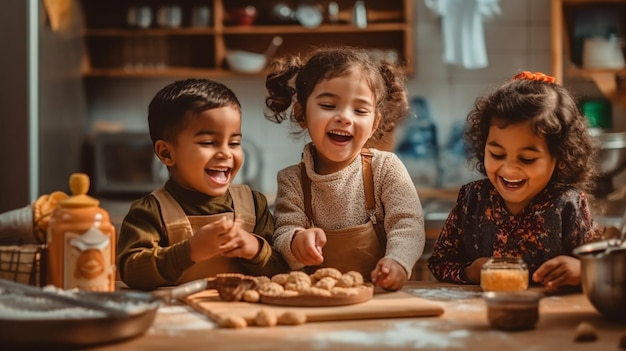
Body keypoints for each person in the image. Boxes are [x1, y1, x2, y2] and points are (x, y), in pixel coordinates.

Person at [264, 46, 425, 291]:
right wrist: (295, 241)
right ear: (301, 114)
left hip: (377, 298)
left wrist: (398, 261)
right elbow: (284, 231)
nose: (345, 117)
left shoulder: (385, 168)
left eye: (360, 110)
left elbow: (408, 223)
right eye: (329, 106)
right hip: (317, 299)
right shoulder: (292, 179)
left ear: (374, 124)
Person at [428, 71, 603, 291]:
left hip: (549, 318)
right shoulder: (471, 199)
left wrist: (581, 270)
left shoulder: (569, 205)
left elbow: (602, 268)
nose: (509, 169)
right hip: (479, 316)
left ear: (560, 158)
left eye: (527, 159)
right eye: (497, 155)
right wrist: (470, 272)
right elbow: (439, 263)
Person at [117, 78, 288, 291]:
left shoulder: (254, 205)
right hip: (175, 320)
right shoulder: (150, 212)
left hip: (241, 319)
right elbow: (131, 271)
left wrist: (255, 250)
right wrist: (189, 251)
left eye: (234, 142)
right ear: (166, 153)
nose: (226, 152)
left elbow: (283, 271)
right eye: (208, 142)